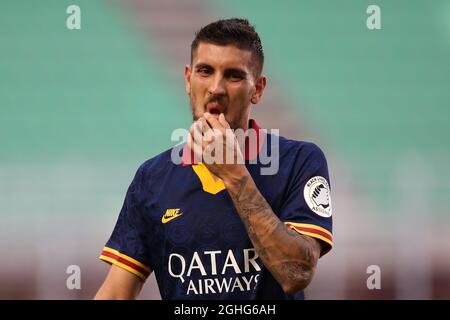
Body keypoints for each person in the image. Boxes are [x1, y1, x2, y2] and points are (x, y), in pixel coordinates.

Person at [95, 18, 333, 300]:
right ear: (188, 79)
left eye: (233, 75)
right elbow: (115, 294)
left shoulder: (299, 161)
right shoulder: (152, 178)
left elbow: (297, 273)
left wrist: (233, 173)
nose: (216, 88)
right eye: (205, 71)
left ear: (257, 89)